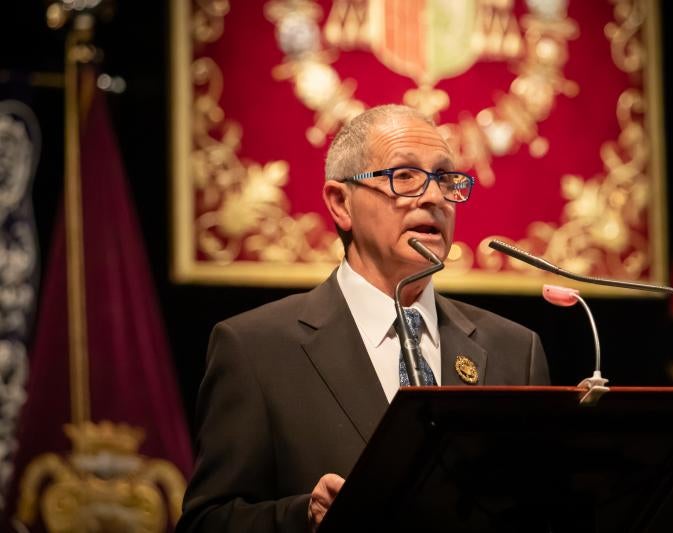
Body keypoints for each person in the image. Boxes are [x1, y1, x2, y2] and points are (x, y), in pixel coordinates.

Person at [176, 104, 550, 533]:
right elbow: (207, 521)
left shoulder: (514, 350)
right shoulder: (255, 349)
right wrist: (305, 517)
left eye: (446, 180)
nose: (433, 198)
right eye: (404, 177)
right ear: (341, 203)